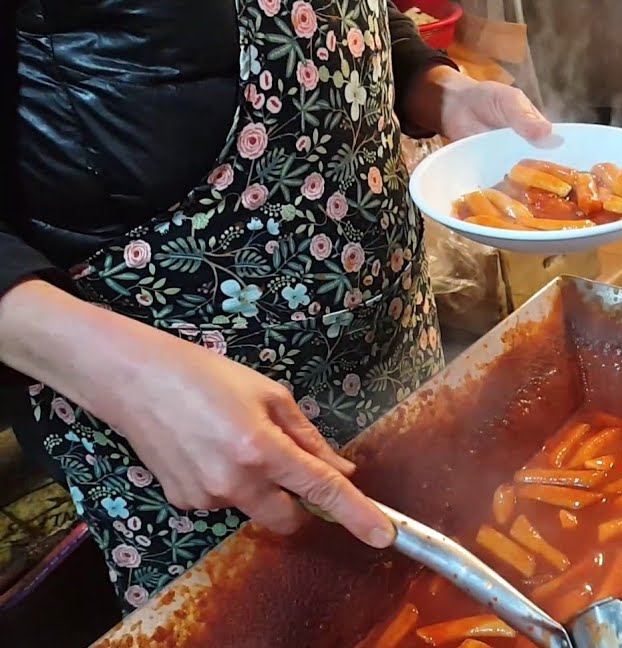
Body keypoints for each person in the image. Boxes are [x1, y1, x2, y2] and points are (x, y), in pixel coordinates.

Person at [0, 0, 551, 611]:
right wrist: (124, 378)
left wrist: (433, 85)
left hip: (394, 356)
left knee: (419, 598)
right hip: (189, 438)